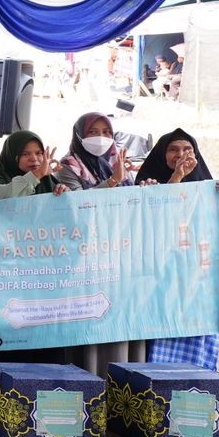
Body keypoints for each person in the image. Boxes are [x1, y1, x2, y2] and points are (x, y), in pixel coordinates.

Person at [136, 128, 219, 369]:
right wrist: (175, 180)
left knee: (196, 353)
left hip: (197, 285)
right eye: (173, 150)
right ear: (161, 154)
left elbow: (217, 235)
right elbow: (150, 226)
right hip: (160, 283)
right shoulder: (147, 184)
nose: (180, 155)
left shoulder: (208, 189)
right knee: (158, 349)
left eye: (187, 149)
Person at [50, 112, 137, 375]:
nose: (101, 137)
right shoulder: (67, 167)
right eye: (93, 132)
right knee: (88, 319)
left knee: (115, 318)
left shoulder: (118, 164)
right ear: (79, 135)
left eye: (106, 132)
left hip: (117, 255)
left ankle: (117, 381)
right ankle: (82, 378)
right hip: (83, 258)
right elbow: (78, 208)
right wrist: (113, 181)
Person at [0, 131, 68, 200]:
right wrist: (37, 174)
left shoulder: (45, 178)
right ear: (12, 155)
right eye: (25, 154)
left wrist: (63, 191)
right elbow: (5, 197)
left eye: (39, 153)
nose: (34, 159)